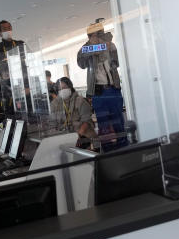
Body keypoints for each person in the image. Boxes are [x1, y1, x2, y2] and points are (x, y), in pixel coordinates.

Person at [77, 21, 129, 151]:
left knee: (119, 122)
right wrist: (92, 46)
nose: (98, 35)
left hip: (113, 89)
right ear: (89, 36)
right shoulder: (86, 48)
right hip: (99, 92)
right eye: (94, 34)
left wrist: (109, 48)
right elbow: (81, 63)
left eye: (100, 32)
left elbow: (118, 62)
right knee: (104, 125)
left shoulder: (109, 45)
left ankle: (124, 148)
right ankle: (108, 151)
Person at [50, 77, 97, 148]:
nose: (62, 90)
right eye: (60, 89)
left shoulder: (80, 101)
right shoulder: (54, 104)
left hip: (82, 135)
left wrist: (77, 137)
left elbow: (86, 121)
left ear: (70, 87)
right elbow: (53, 123)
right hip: (63, 137)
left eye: (64, 87)